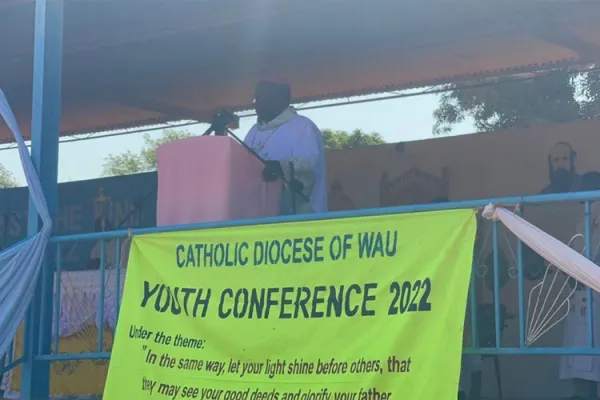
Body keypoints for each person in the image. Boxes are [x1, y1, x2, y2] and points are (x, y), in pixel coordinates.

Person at [244, 78, 327, 214]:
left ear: (281, 99)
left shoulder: (302, 127)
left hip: (300, 219)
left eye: (261, 98)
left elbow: (309, 167)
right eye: (255, 98)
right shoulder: (253, 131)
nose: (256, 104)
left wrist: (281, 168)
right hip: (259, 217)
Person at [560, 171, 600, 400]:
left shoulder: (584, 221)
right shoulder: (580, 223)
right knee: (584, 369)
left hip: (589, 301)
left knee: (584, 371)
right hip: (584, 303)